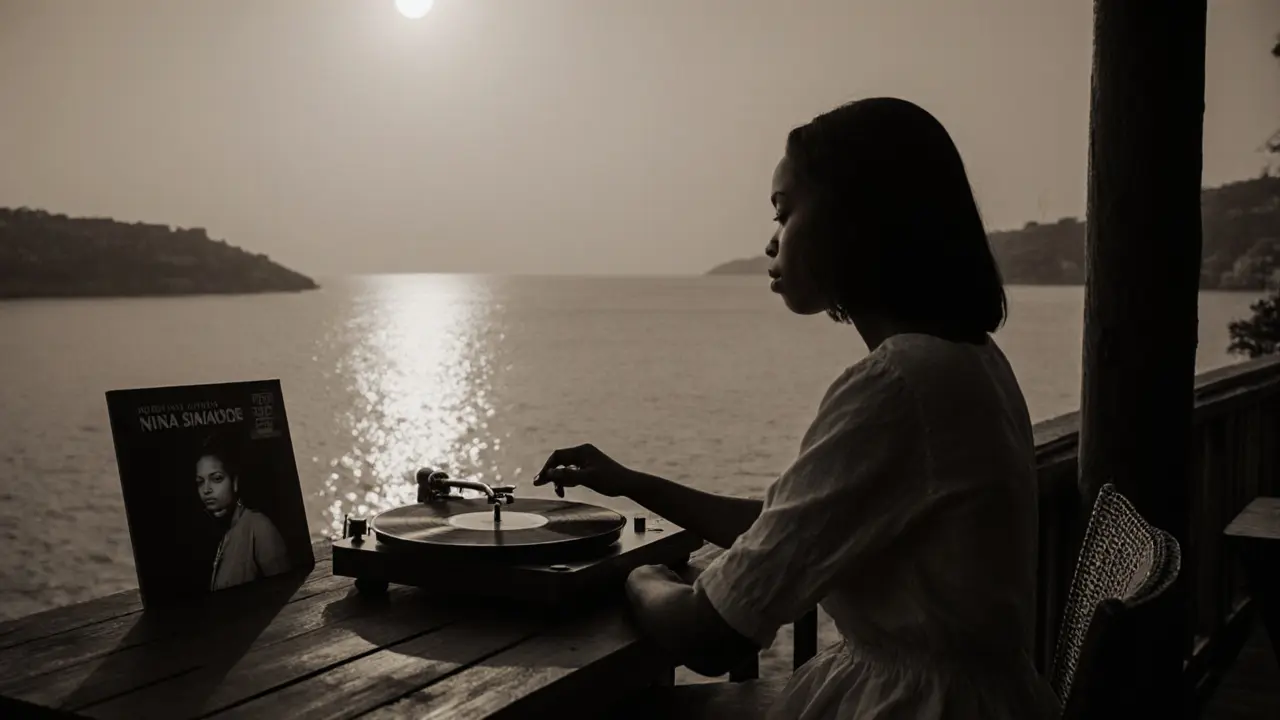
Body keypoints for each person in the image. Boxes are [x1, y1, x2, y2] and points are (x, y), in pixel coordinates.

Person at [533, 98, 1063, 719]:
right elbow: (790, 530)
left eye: (784, 213)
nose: (770, 240)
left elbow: (709, 635)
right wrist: (632, 484)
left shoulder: (897, 385)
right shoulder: (968, 361)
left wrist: (635, 576)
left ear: (851, 219)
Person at [195, 434, 294, 591]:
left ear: (234, 482)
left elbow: (287, 590)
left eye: (217, 479)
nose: (206, 490)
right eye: (200, 482)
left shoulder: (259, 528)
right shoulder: (225, 533)